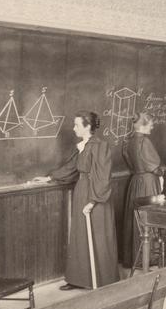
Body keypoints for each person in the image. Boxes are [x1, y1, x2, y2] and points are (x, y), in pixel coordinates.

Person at [32, 111, 119, 290]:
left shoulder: (100, 146)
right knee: (80, 235)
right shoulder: (82, 146)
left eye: (77, 125)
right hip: (82, 191)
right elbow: (72, 168)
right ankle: (79, 279)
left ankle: (102, 281)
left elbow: (104, 177)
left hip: (97, 196)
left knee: (98, 236)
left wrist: (93, 201)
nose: (73, 128)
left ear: (88, 127)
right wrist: (49, 178)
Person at [121, 112, 164, 267]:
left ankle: (134, 257)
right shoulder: (145, 142)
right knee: (149, 217)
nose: (152, 127)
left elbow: (129, 162)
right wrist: (161, 173)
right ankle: (149, 257)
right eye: (151, 124)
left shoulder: (128, 141)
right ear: (143, 126)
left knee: (136, 219)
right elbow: (155, 166)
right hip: (148, 182)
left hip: (135, 181)